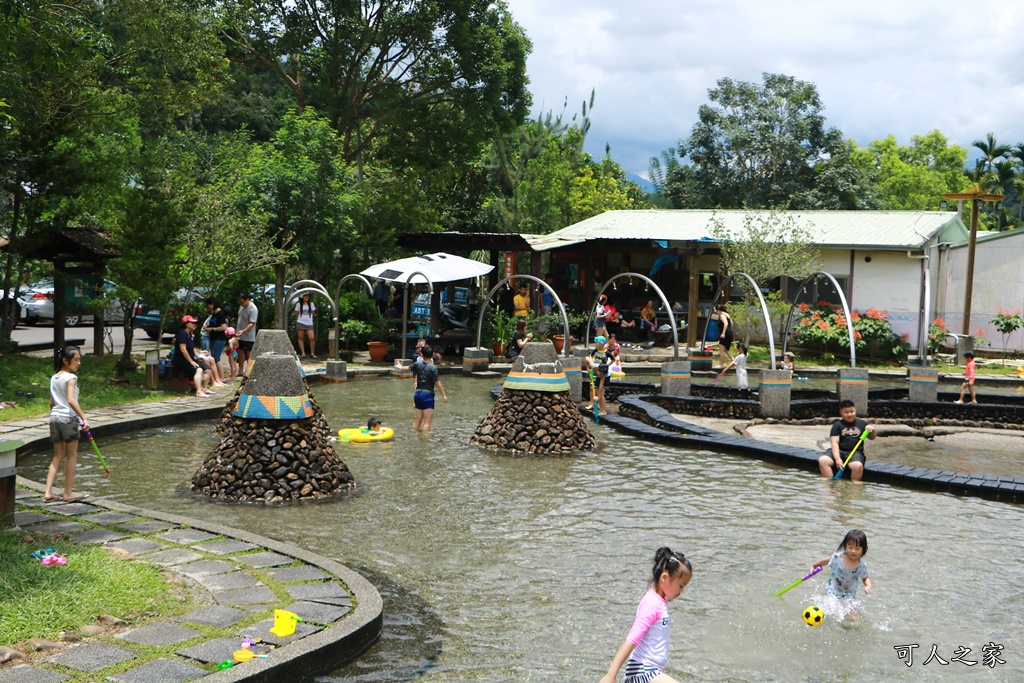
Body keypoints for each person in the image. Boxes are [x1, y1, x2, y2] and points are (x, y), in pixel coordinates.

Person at [600, 547, 693, 683]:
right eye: (681, 585)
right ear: (665, 578)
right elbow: (632, 638)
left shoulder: (660, 603)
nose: (682, 591)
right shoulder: (652, 604)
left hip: (650, 671)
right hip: (641, 672)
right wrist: (611, 675)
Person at [44, 345, 90, 503]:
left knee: (57, 456)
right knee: (72, 456)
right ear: (65, 360)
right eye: (76, 359)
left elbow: (51, 402)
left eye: (79, 360)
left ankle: (48, 492)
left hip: (54, 419)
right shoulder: (71, 378)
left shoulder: (54, 378)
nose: (79, 363)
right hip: (67, 419)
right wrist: (84, 418)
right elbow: (71, 400)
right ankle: (68, 493)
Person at [810, 529, 872, 622]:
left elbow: (865, 577)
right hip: (833, 591)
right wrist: (814, 566)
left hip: (848, 596)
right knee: (832, 611)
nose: (853, 551)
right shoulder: (838, 558)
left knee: (853, 618)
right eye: (850, 547)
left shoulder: (861, 565)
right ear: (845, 546)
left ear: (863, 549)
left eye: (857, 548)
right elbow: (826, 560)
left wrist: (868, 585)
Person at [817, 399, 876, 482]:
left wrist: (872, 430)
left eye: (852, 411)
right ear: (841, 413)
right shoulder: (837, 425)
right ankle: (829, 481)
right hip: (839, 451)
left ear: (855, 410)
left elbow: (872, 437)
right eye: (846, 412)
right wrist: (837, 459)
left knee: (857, 466)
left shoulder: (862, 424)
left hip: (855, 452)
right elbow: (835, 443)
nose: (849, 414)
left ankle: (854, 486)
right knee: (823, 460)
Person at [173, 315, 213, 398]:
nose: (195, 325)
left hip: (191, 359)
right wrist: (191, 361)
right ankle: (198, 391)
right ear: (186, 324)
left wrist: (198, 356)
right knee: (198, 370)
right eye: (193, 323)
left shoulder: (190, 334)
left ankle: (204, 388)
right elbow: (183, 349)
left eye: (196, 323)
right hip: (181, 361)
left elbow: (193, 348)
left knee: (208, 369)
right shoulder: (182, 334)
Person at [413, 345, 448, 431]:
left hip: (417, 394)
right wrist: (444, 395)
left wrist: (399, 366)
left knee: (418, 419)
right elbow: (437, 382)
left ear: (422, 354)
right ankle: (426, 441)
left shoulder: (418, 365)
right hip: (427, 395)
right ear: (432, 355)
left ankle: (414, 435)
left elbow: (407, 369)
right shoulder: (433, 368)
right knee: (427, 421)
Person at [202, 297, 229, 387]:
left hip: (220, 338)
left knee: (216, 357)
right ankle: (217, 377)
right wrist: (208, 326)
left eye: (209, 305)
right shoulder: (214, 313)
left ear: (212, 304)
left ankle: (221, 377)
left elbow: (223, 327)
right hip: (213, 338)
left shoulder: (220, 314)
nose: (208, 307)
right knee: (213, 357)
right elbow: (214, 323)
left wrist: (212, 329)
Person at [584, 335, 611, 416]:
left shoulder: (603, 374)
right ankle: (598, 407)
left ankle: (603, 411)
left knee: (601, 393)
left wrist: (598, 397)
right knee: (594, 389)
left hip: (605, 378)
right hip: (596, 370)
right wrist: (588, 370)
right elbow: (587, 358)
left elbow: (600, 387)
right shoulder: (595, 367)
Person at [236, 293, 259, 371]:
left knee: (248, 352)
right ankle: (240, 370)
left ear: (247, 300)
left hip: (248, 335)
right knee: (240, 351)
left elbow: (252, 323)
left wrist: (244, 330)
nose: (241, 304)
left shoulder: (252, 308)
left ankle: (249, 370)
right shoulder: (241, 307)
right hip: (240, 334)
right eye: (240, 302)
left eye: (242, 302)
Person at [293, 292, 317, 359]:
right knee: (301, 337)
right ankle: (303, 353)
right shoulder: (298, 304)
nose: (306, 297)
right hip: (301, 322)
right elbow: (297, 313)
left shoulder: (311, 304)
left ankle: (312, 352)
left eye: (308, 296)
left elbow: (313, 312)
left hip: (309, 323)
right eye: (305, 296)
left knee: (312, 338)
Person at [715, 303, 734, 369]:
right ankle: (734, 361)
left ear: (719, 310)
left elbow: (725, 324)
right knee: (726, 349)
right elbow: (731, 323)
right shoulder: (727, 315)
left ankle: (721, 365)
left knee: (722, 349)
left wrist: (723, 333)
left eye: (716, 310)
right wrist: (731, 331)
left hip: (725, 333)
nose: (716, 312)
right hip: (730, 332)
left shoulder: (722, 315)